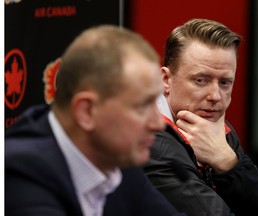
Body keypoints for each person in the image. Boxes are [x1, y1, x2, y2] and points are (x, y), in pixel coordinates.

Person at [5, 25, 187, 216]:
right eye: (142, 107)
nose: (158, 124)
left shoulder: (118, 158)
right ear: (86, 111)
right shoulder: (19, 174)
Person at [143, 18, 258, 216]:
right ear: (165, 80)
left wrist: (228, 163)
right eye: (200, 80)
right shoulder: (149, 139)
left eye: (225, 82)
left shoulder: (215, 128)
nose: (215, 96)